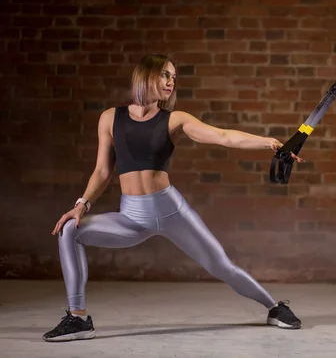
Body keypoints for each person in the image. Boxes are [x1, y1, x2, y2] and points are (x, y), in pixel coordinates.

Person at [42, 54, 304, 342]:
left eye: (174, 78)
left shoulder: (175, 120)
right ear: (146, 76)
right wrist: (81, 205)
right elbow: (103, 171)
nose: (171, 82)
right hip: (131, 218)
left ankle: (274, 307)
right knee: (70, 230)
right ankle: (77, 318)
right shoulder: (110, 118)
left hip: (171, 211)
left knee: (221, 265)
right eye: (166, 75)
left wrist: (269, 142)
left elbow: (224, 136)